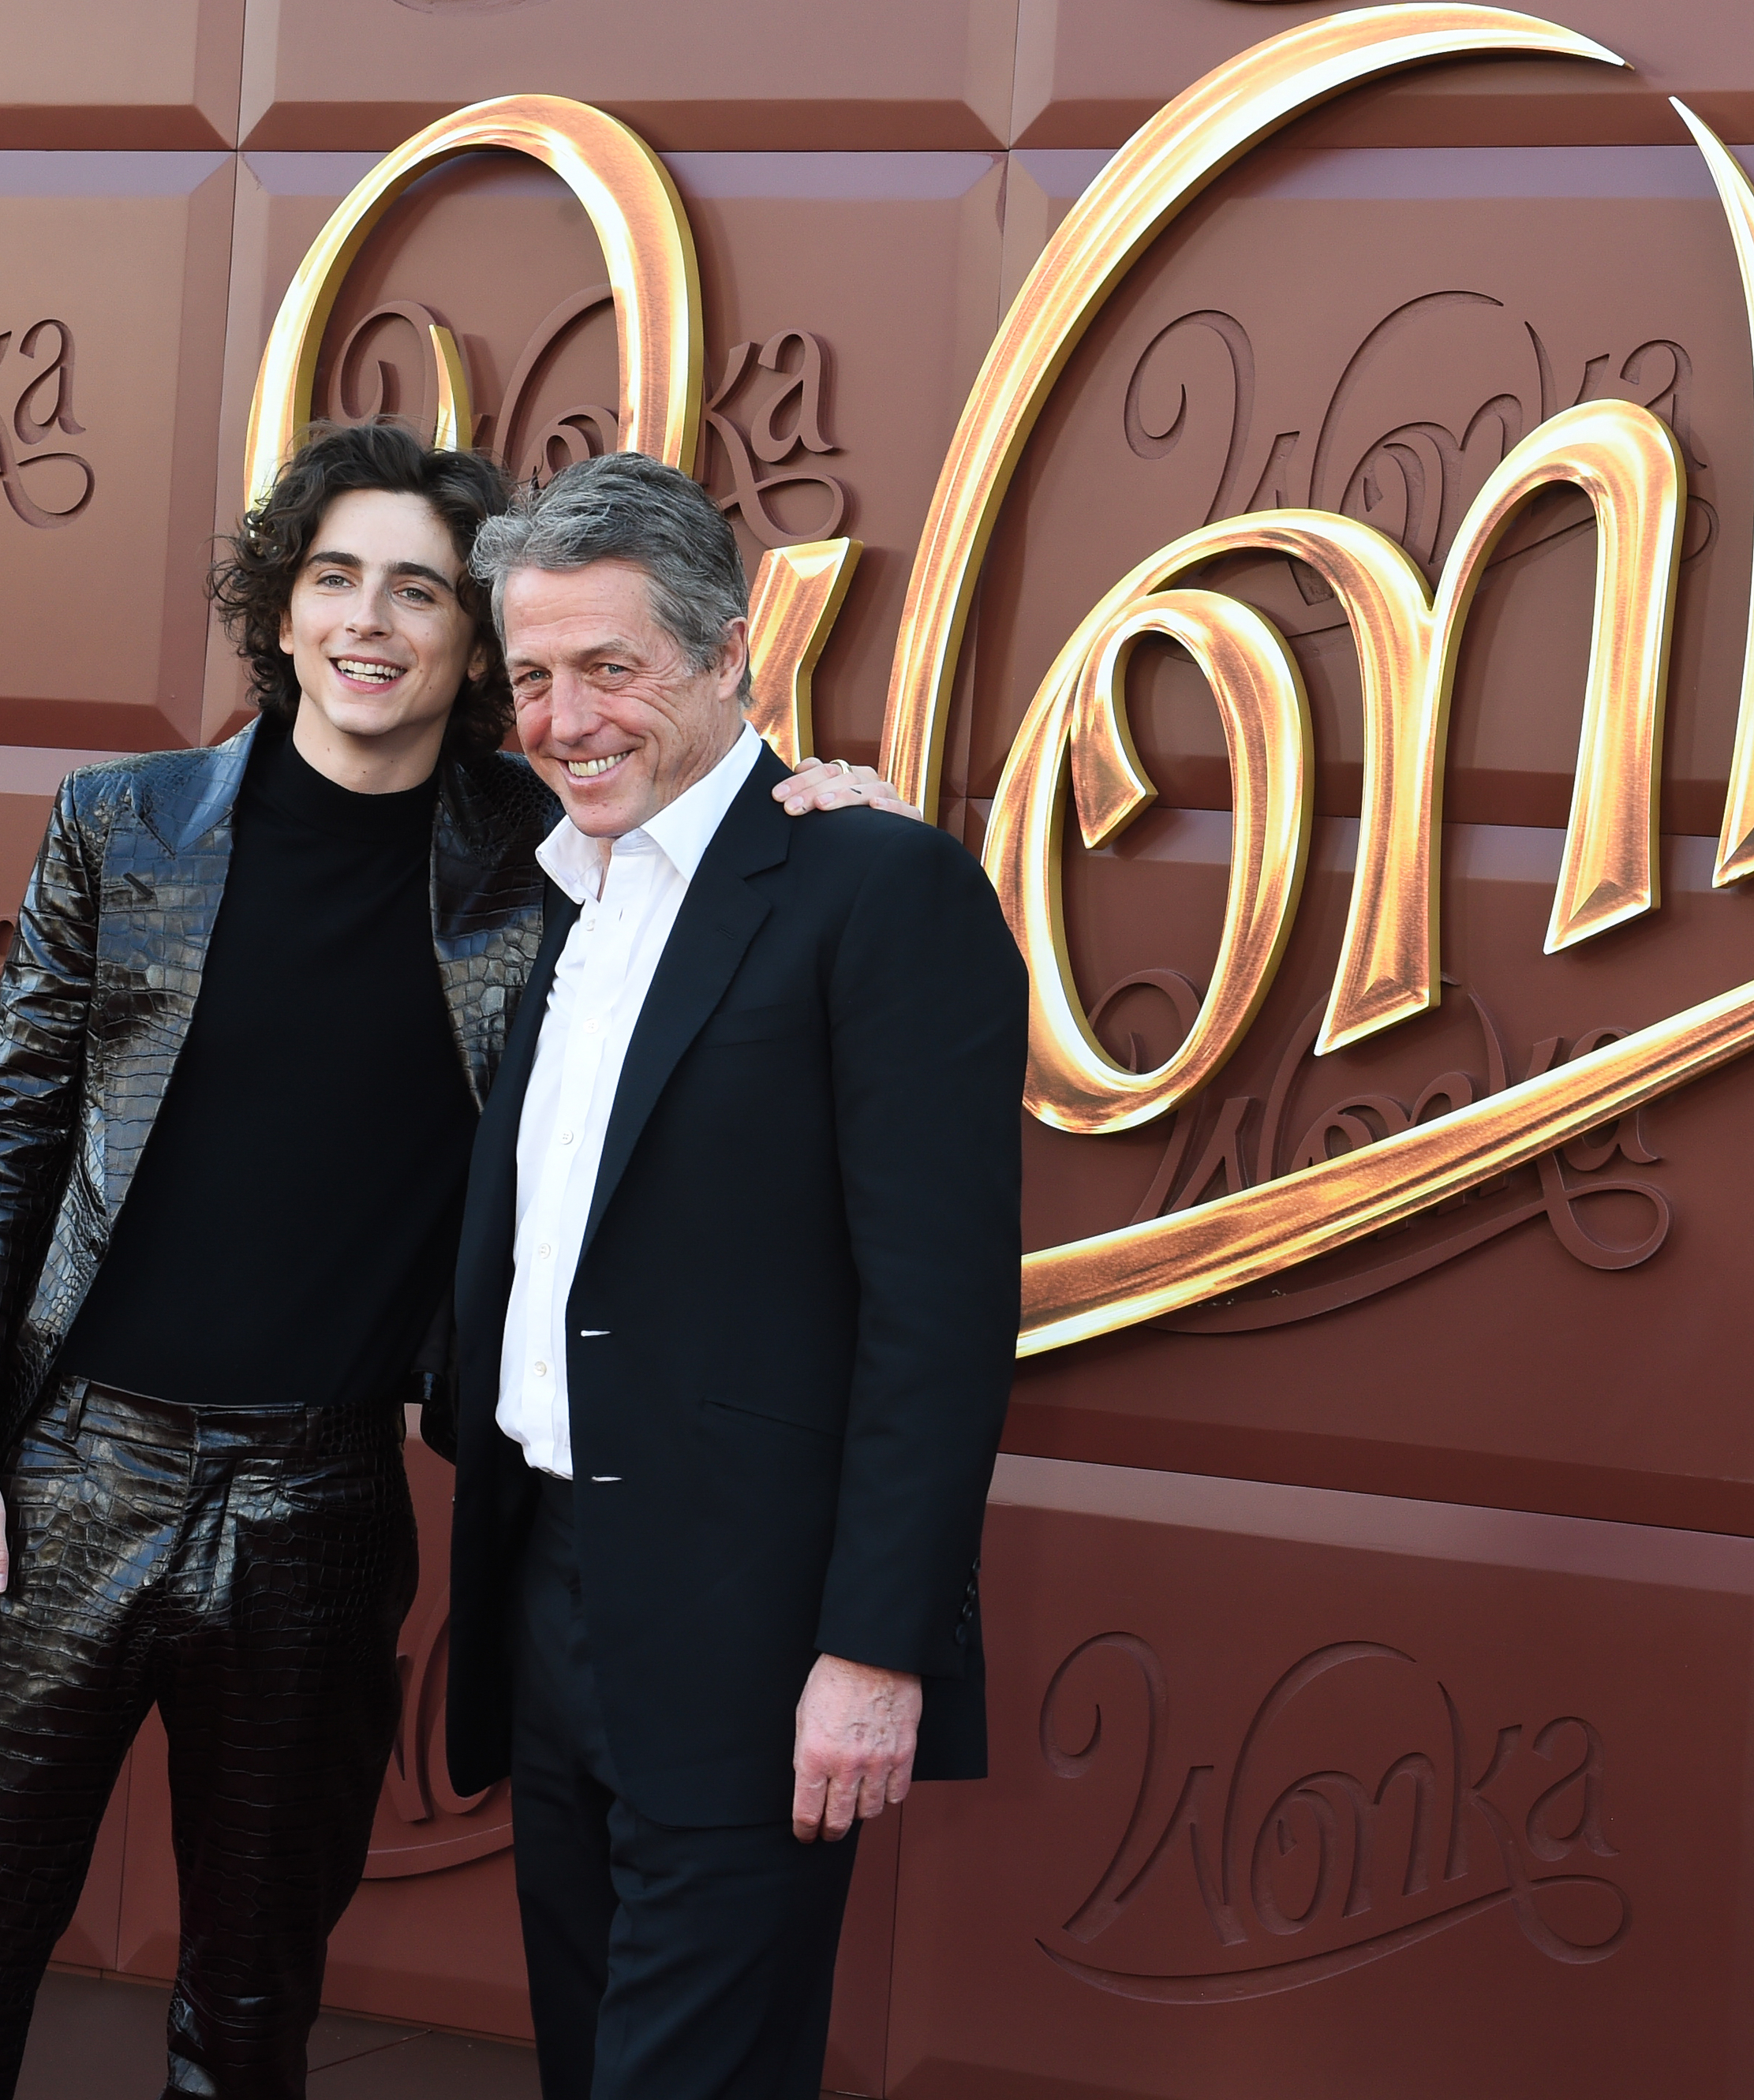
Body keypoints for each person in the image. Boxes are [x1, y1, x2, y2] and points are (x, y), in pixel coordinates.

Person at [0, 419, 905, 2099]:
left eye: (419, 590)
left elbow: (731, 870)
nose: (370, 618)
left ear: (473, 643)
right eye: (334, 576)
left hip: (318, 1498)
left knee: (253, 2002)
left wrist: (830, 803)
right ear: (280, 610)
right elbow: (4, 1151)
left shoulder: (546, 855)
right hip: (66, 1474)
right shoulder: (123, 827)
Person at [435, 450, 1023, 2100]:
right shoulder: (563, 890)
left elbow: (941, 1313)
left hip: (755, 1625)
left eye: (609, 669)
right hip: (549, 1577)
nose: (565, 720)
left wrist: (874, 1648)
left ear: (724, 656)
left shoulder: (876, 887)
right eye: (534, 677)